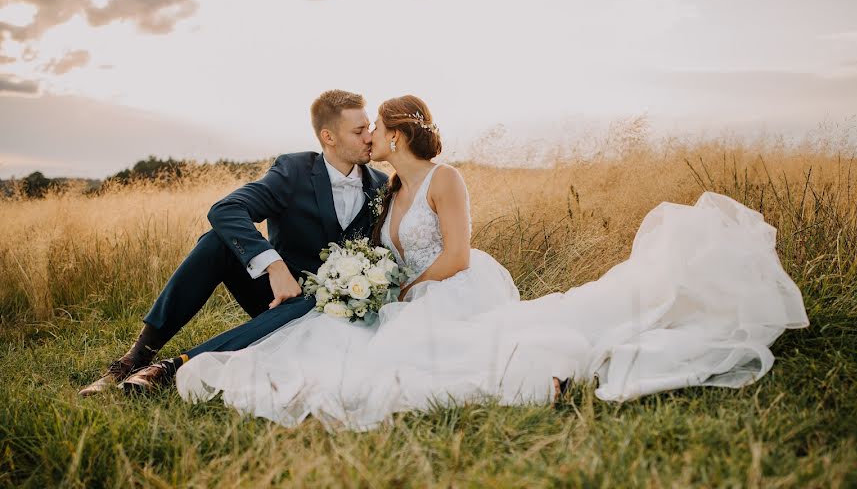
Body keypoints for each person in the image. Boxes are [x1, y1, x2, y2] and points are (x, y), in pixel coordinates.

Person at [166, 94, 810, 431]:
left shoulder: (446, 179)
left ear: (396, 134)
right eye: (362, 133)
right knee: (360, 344)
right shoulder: (383, 190)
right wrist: (365, 284)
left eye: (376, 132)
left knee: (438, 353)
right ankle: (164, 357)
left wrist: (402, 288)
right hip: (396, 292)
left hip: (449, 284)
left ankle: (534, 378)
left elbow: (457, 253)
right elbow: (365, 248)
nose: (369, 141)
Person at [78, 89, 388, 396]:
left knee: (310, 304)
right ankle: (137, 356)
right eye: (359, 131)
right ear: (329, 137)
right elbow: (226, 209)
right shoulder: (293, 171)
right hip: (277, 295)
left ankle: (170, 368)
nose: (369, 138)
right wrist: (274, 265)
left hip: (329, 312)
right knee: (217, 241)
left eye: (368, 129)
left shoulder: (382, 186)